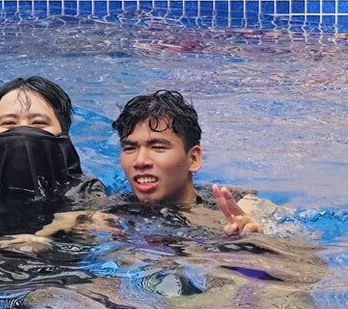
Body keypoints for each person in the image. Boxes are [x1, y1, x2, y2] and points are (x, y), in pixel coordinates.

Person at [0, 75, 105, 242]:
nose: (23, 131)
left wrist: (40, 239)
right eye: (9, 123)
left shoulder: (85, 187)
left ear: (62, 133)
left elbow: (83, 216)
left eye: (38, 123)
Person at [112, 89, 275, 234]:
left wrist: (255, 240)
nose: (140, 161)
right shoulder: (113, 214)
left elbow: (289, 253)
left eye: (158, 147)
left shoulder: (243, 206)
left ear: (193, 159)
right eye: (130, 148)